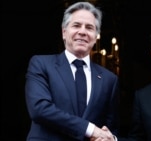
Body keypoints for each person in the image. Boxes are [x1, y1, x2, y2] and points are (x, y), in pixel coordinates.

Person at [25, 2, 119, 141]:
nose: (82, 31)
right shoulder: (41, 64)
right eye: (76, 25)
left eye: (89, 27)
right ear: (64, 32)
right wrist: (90, 129)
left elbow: (110, 128)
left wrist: (111, 138)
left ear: (95, 36)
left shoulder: (109, 79)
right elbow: (39, 109)